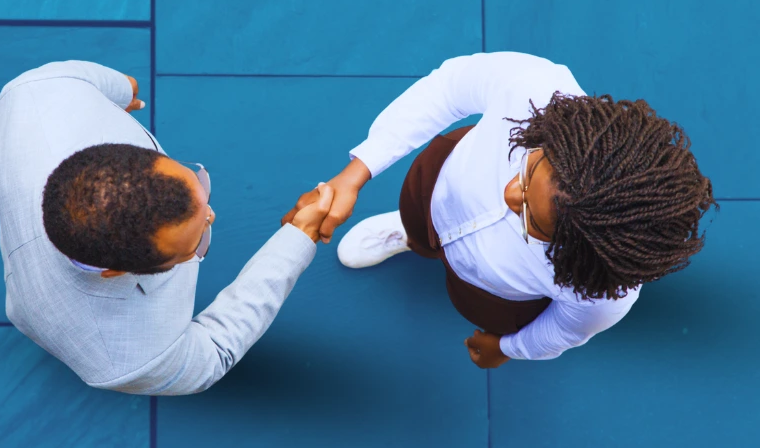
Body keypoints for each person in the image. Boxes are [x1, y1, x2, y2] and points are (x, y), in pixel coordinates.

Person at [282, 51, 716, 368]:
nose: (511, 194)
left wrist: (508, 348)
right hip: (437, 184)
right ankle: (411, 236)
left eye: (532, 219)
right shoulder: (538, 87)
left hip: (489, 289)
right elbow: (449, 87)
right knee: (417, 220)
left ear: (582, 254)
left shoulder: (603, 292)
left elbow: (564, 330)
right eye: (530, 169)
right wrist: (356, 173)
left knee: (464, 299)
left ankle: (424, 244)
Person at [0, 60, 334, 395]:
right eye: (196, 245)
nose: (211, 215)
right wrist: (299, 237)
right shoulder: (132, 361)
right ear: (113, 272)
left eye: (198, 186)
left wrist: (124, 93)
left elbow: (126, 86)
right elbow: (215, 350)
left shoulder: (36, 92)